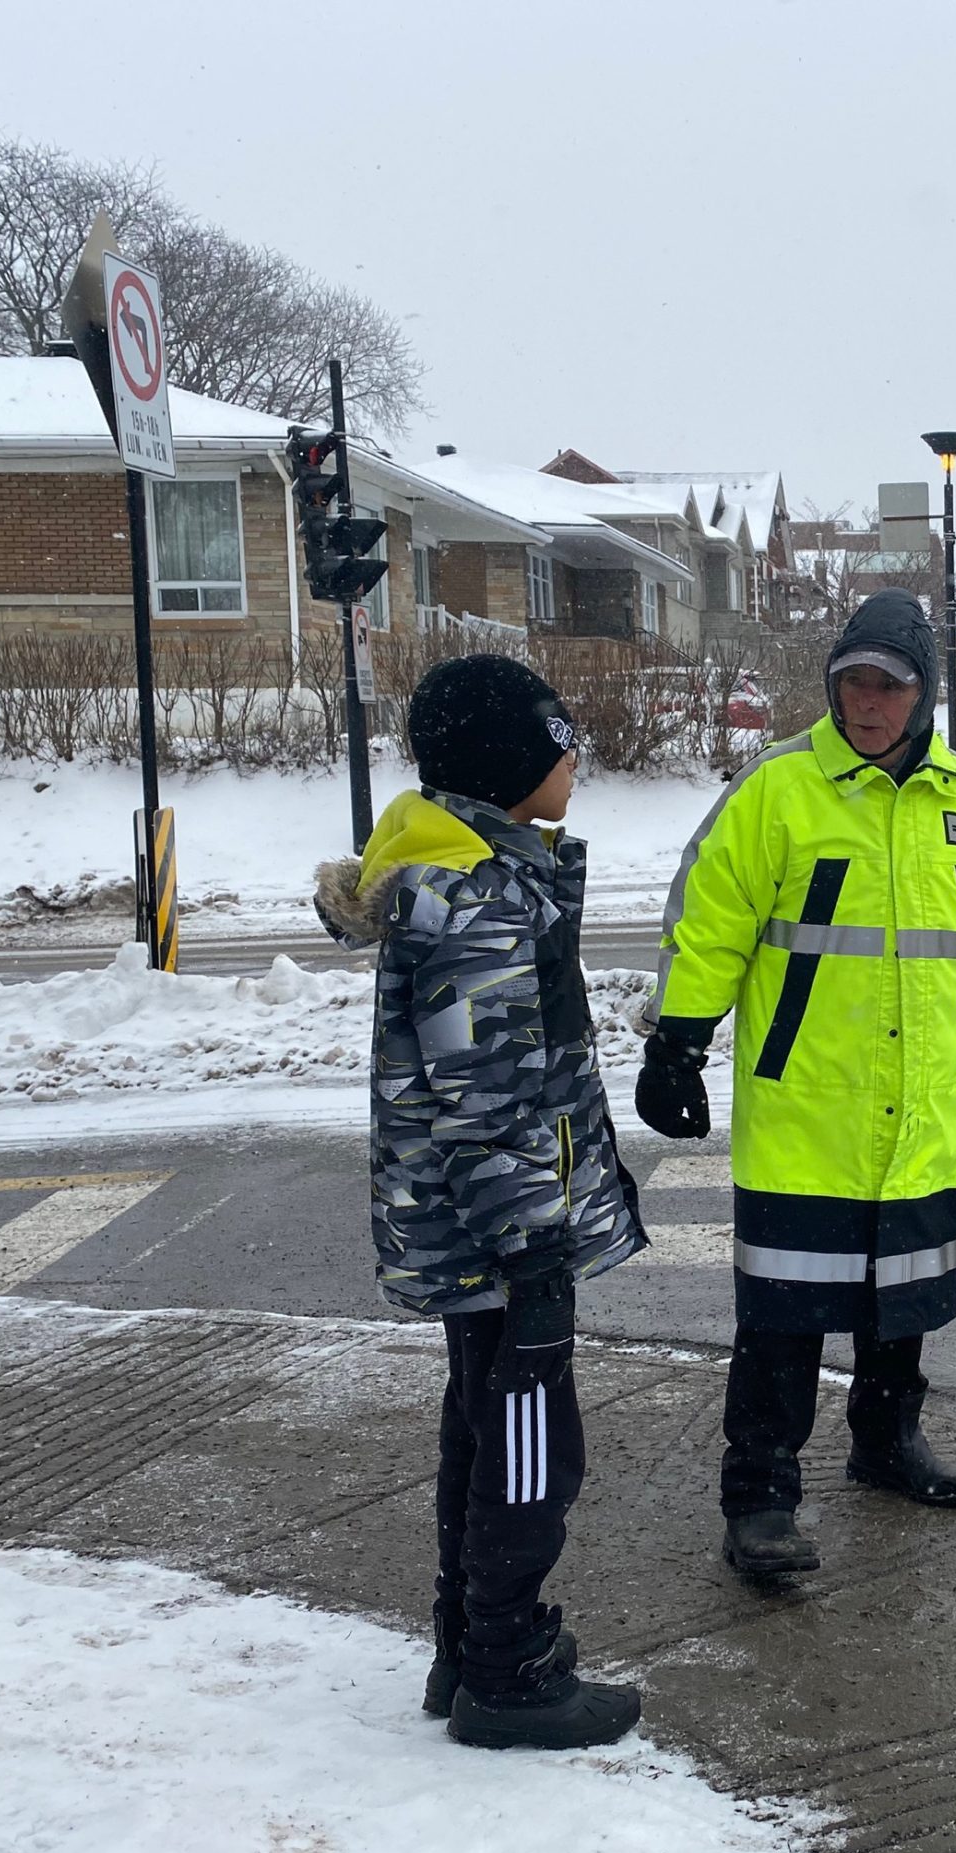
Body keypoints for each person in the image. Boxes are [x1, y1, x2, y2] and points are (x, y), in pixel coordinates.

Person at [633, 588, 956, 1579]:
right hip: (806, 1110)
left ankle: (883, 1445)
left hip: (924, 1107)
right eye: (852, 683)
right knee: (783, 1316)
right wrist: (676, 1046)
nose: (867, 703)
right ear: (832, 685)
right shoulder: (779, 790)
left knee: (899, 1305)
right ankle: (760, 1498)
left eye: (890, 685)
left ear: (922, 693)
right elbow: (709, 924)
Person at [314, 653, 647, 1750]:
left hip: (484, 1235)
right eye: (559, 742)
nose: (574, 760)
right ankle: (506, 1670)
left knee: (486, 1422)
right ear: (512, 765)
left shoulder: (481, 876)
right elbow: (489, 1102)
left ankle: (468, 1647)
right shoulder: (480, 903)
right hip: (505, 1241)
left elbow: (506, 1087)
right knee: (530, 1443)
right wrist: (536, 1251)